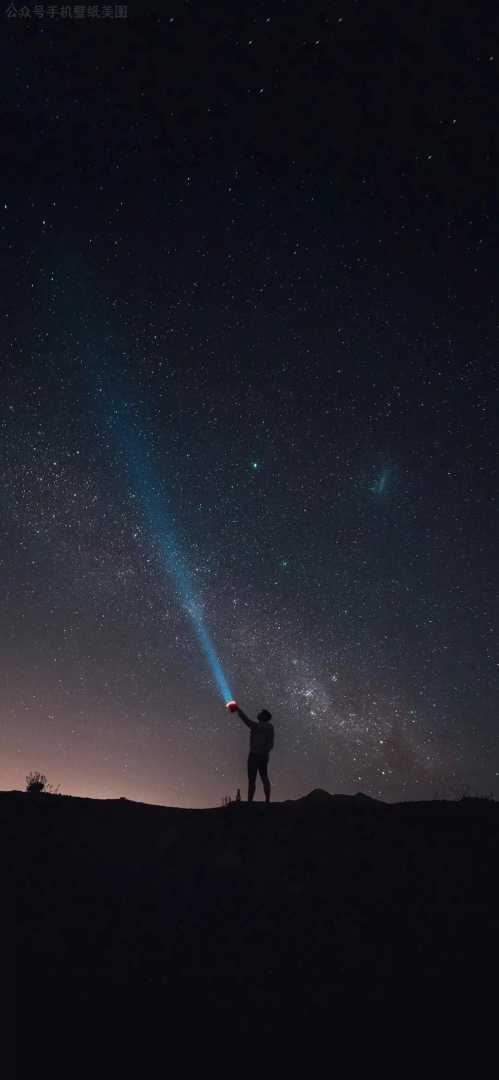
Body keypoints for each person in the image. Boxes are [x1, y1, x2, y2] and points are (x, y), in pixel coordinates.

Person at [233, 704, 274, 803]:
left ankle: (250, 802)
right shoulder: (269, 727)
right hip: (263, 756)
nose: (258, 714)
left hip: (254, 755)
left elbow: (246, 720)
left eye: (261, 713)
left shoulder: (257, 726)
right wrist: (265, 752)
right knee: (264, 777)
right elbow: (270, 743)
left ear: (264, 716)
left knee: (252, 779)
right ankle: (267, 801)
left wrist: (238, 709)